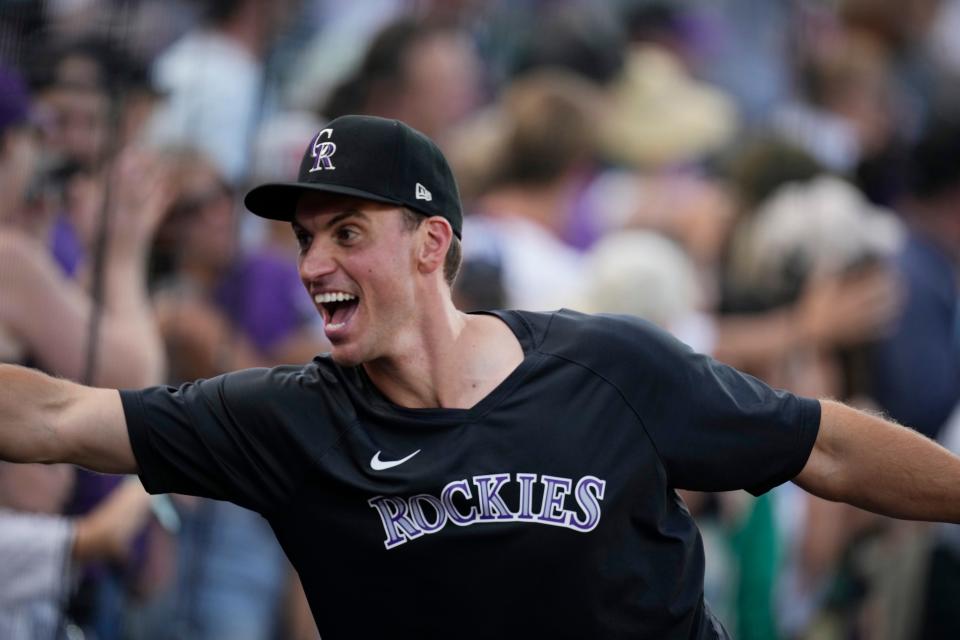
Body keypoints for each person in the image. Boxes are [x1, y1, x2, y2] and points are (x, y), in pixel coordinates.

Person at [1, 114, 960, 640]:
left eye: (347, 234)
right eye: (304, 241)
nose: (313, 267)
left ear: (431, 244)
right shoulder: (287, 420)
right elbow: (54, 414)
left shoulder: (607, 366)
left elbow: (821, 444)